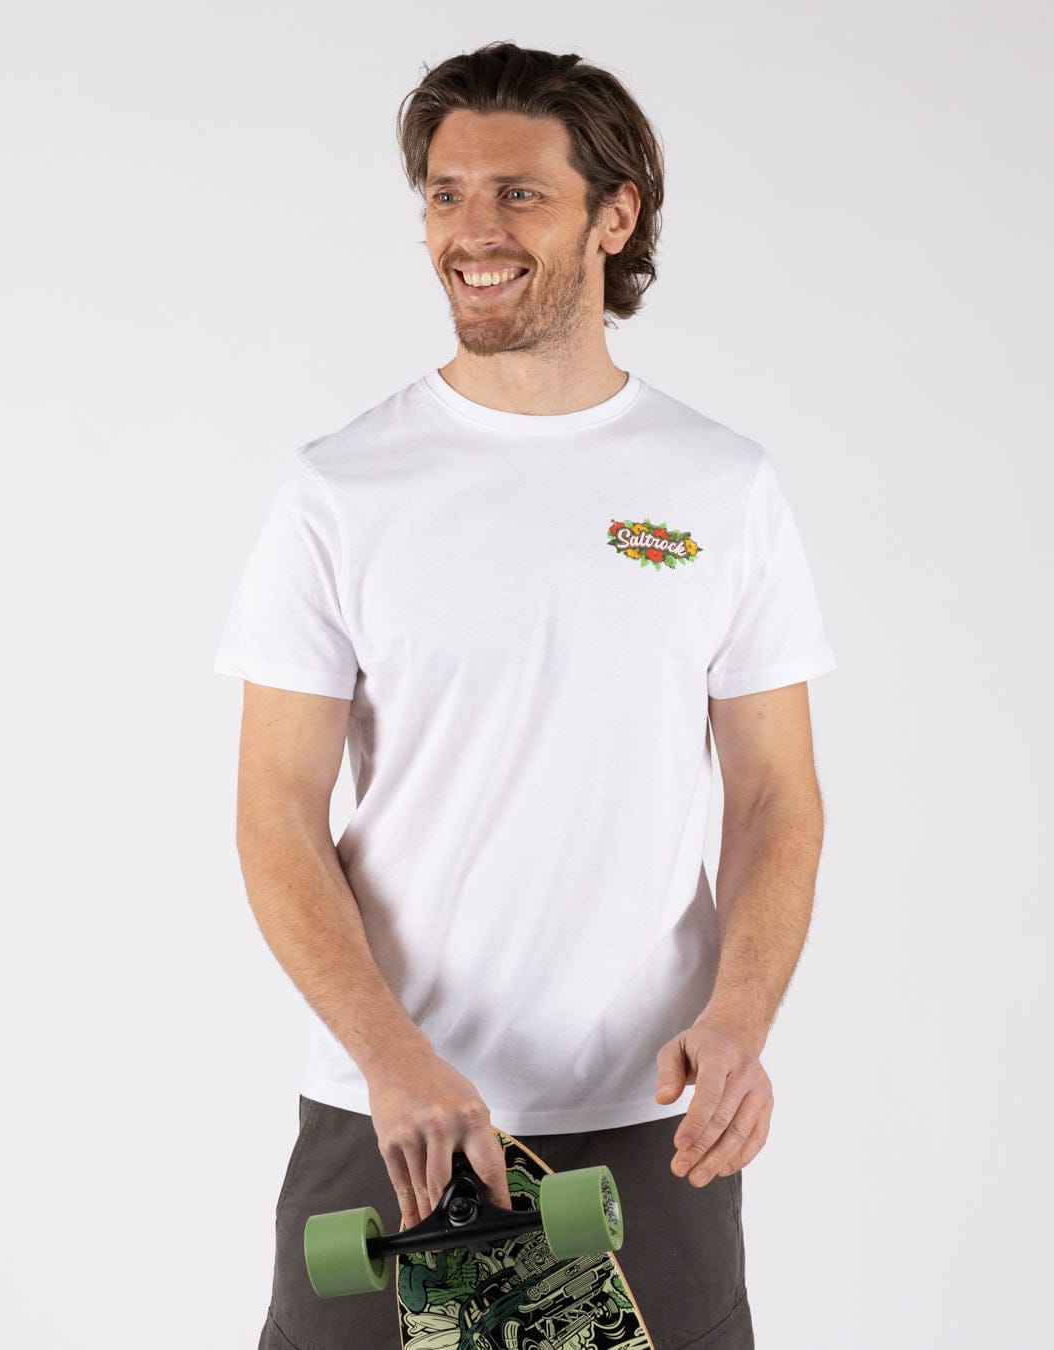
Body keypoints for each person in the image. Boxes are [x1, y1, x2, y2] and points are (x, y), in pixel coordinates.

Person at [212, 40, 836, 1350]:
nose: (472, 230)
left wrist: (737, 1019)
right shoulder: (343, 489)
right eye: (445, 194)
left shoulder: (719, 486)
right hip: (394, 1114)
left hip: (641, 1127)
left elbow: (776, 795)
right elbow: (275, 811)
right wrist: (394, 1058)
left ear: (615, 216)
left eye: (517, 194)